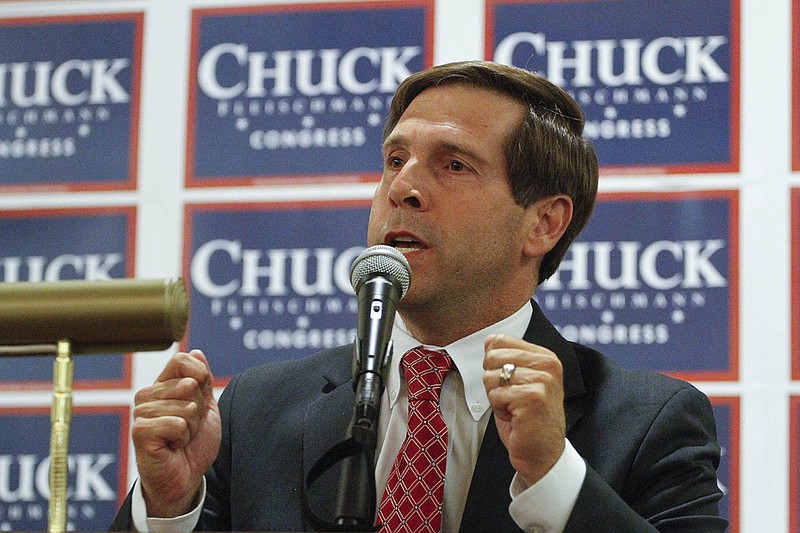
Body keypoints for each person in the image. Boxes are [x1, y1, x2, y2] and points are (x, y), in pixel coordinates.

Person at [110, 60, 727, 532]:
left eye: (454, 165)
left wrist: (551, 477)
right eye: (395, 159)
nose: (403, 186)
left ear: (543, 224)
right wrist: (168, 508)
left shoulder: (649, 423)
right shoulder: (254, 413)